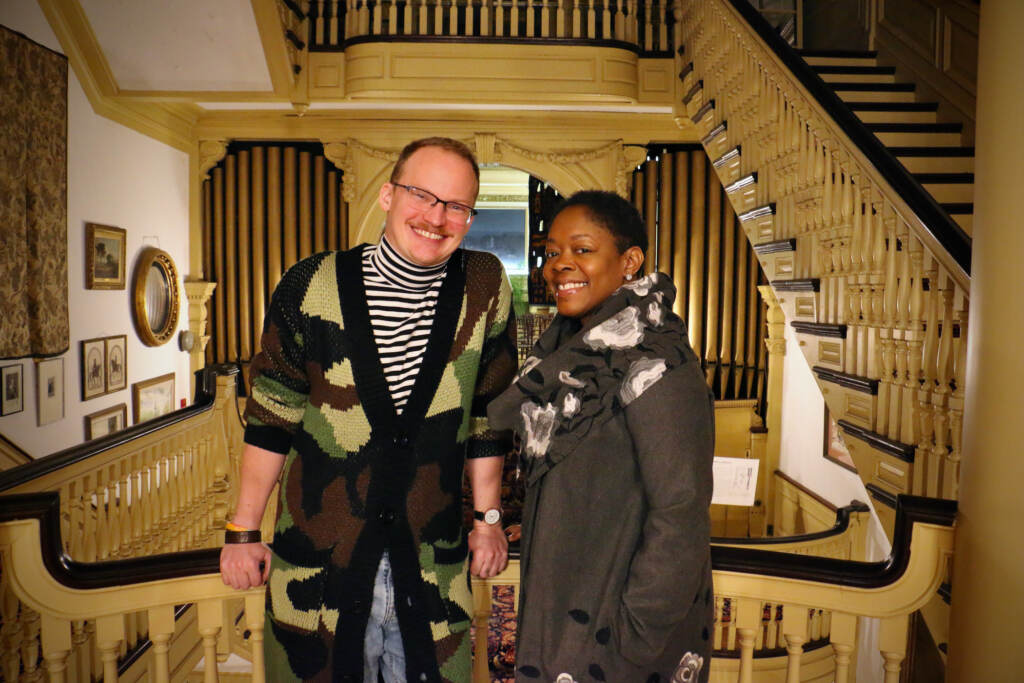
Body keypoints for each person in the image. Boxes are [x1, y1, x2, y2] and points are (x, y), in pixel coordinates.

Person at [220, 137, 518, 683]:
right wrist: (243, 530)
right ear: (387, 195)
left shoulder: (485, 284)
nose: (436, 217)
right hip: (319, 563)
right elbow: (271, 415)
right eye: (422, 195)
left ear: (470, 218)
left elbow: (486, 414)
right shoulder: (309, 284)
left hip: (432, 565)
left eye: (457, 206)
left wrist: (488, 520)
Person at [488, 190, 715, 683]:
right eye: (551, 253)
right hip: (569, 603)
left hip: (617, 634)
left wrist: (637, 631)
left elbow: (681, 509)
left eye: (582, 250)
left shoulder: (657, 362)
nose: (559, 265)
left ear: (630, 261)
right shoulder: (570, 352)